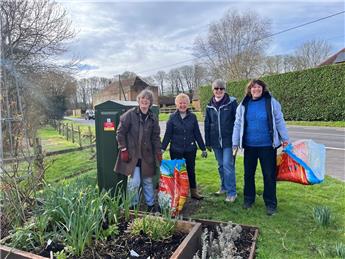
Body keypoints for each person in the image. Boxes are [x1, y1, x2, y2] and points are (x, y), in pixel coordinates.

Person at [232, 79, 289, 216]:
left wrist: (285, 139)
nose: (256, 89)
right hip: (250, 147)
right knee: (248, 175)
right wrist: (235, 142)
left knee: (269, 175)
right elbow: (238, 124)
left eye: (258, 87)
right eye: (253, 87)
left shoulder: (271, 102)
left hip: (268, 146)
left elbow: (279, 120)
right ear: (249, 89)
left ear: (263, 89)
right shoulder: (244, 104)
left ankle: (270, 204)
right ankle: (248, 200)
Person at [114, 89, 162, 212]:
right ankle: (133, 206)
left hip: (147, 156)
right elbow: (120, 133)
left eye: (147, 99)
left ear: (150, 102)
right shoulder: (129, 115)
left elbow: (155, 137)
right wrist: (123, 149)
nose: (144, 101)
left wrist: (158, 152)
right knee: (134, 182)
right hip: (132, 155)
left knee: (147, 180)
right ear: (139, 100)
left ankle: (151, 205)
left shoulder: (153, 117)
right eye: (142, 98)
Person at [162, 93, 207, 200]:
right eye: (180, 103)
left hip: (190, 149)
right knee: (177, 172)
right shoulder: (172, 117)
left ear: (188, 104)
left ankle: (194, 192)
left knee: (191, 170)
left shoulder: (193, 117)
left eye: (185, 103)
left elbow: (197, 133)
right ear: (177, 104)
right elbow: (168, 134)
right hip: (176, 149)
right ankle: (178, 192)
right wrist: (162, 148)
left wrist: (203, 148)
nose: (183, 105)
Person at [205, 79, 238, 203]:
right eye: (216, 88)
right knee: (221, 166)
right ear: (213, 90)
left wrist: (237, 140)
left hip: (229, 141)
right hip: (215, 142)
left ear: (224, 90)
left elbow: (237, 122)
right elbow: (207, 124)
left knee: (228, 166)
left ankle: (232, 193)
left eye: (221, 88)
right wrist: (207, 142)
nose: (219, 91)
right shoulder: (209, 106)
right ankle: (224, 187)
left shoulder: (232, 102)